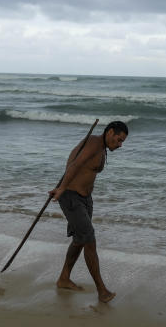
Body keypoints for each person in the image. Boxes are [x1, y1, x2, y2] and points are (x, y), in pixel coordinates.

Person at [49, 120, 129, 303]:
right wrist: (61, 189)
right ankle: (102, 291)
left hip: (85, 200)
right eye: (118, 140)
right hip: (71, 197)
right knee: (89, 240)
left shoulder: (101, 147)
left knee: (79, 240)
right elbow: (75, 166)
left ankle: (64, 278)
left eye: (122, 141)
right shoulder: (94, 143)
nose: (120, 145)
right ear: (109, 132)